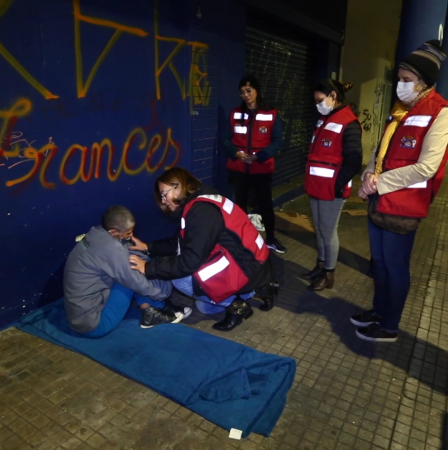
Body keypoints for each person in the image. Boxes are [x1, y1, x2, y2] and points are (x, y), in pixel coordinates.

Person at [351, 39, 448, 342]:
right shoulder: (400, 111)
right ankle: (378, 311)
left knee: (395, 267)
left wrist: (379, 182)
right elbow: (381, 151)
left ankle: (389, 326)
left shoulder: (442, 112)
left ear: (423, 81)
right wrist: (368, 175)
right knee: (379, 264)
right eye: (399, 78)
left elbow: (427, 167)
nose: (400, 85)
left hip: (404, 206)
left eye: (406, 79)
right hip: (380, 201)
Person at [128, 167, 278, 331]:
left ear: (179, 186)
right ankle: (259, 288)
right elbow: (181, 242)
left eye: (165, 194)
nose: (163, 201)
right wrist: (148, 247)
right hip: (251, 260)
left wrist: (148, 268)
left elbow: (189, 262)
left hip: (247, 266)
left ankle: (237, 306)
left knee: (179, 279)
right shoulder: (202, 198)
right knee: (207, 307)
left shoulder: (201, 212)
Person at [63, 205, 190, 337]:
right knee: (131, 278)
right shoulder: (111, 249)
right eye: (128, 233)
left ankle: (151, 309)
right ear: (113, 232)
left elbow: (129, 253)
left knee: (130, 270)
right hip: (94, 325)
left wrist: (145, 260)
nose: (131, 236)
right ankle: (155, 309)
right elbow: (134, 279)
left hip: (79, 316)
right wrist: (164, 289)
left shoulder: (98, 233)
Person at [302, 79, 363, 291]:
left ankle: (329, 274)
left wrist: (337, 185)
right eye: (316, 101)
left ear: (333, 96)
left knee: (328, 232)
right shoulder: (323, 120)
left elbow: (354, 160)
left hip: (332, 190)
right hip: (316, 186)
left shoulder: (349, 123)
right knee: (319, 229)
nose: (318, 104)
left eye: (320, 100)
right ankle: (320, 265)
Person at [221, 75, 287, 254]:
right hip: (239, 169)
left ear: (257, 91)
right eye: (242, 92)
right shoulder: (235, 113)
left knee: (265, 205)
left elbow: (277, 142)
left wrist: (259, 157)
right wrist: (236, 153)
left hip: (261, 169)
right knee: (240, 206)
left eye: (249, 90)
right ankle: (244, 241)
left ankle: (270, 240)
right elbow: (225, 139)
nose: (246, 95)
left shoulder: (271, 113)